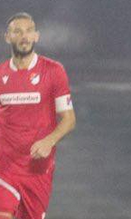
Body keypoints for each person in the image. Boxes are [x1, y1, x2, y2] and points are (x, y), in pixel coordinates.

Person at [0, 13, 76, 219]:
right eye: (17, 31)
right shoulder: (1, 74)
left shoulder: (53, 71)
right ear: (7, 37)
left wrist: (49, 141)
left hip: (37, 170)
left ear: (36, 36)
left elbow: (69, 119)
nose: (24, 36)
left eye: (28, 31)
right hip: (5, 168)